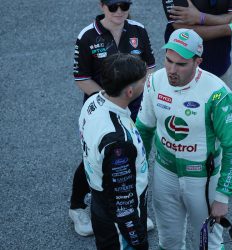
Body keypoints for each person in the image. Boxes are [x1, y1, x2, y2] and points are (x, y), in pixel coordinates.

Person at [136, 28, 232, 249]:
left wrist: (223, 196)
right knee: (169, 241)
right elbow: (143, 130)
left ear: (198, 62)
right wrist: (139, 175)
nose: (172, 70)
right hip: (165, 172)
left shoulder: (217, 94)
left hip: (202, 180)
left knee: (208, 245)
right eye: (168, 60)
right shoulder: (155, 82)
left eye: (181, 64)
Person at [70, 0, 155, 236]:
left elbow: (150, 69)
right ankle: (77, 207)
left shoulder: (138, 29)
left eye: (125, 5)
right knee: (96, 158)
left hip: (134, 106)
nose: (119, 11)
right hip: (102, 106)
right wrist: (111, 99)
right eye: (113, 6)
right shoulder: (87, 36)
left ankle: (131, 211)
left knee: (131, 158)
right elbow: (81, 79)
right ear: (102, 5)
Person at [79, 53, 149, 249]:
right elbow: (124, 208)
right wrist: (139, 242)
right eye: (142, 81)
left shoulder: (93, 101)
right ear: (129, 91)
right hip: (119, 229)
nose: (146, 83)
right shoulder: (119, 143)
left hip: (100, 202)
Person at [162, 0, 232, 87]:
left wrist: (200, 17)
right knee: (176, 98)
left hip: (218, 64)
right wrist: (230, 28)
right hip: (180, 66)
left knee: (217, 99)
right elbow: (183, 29)